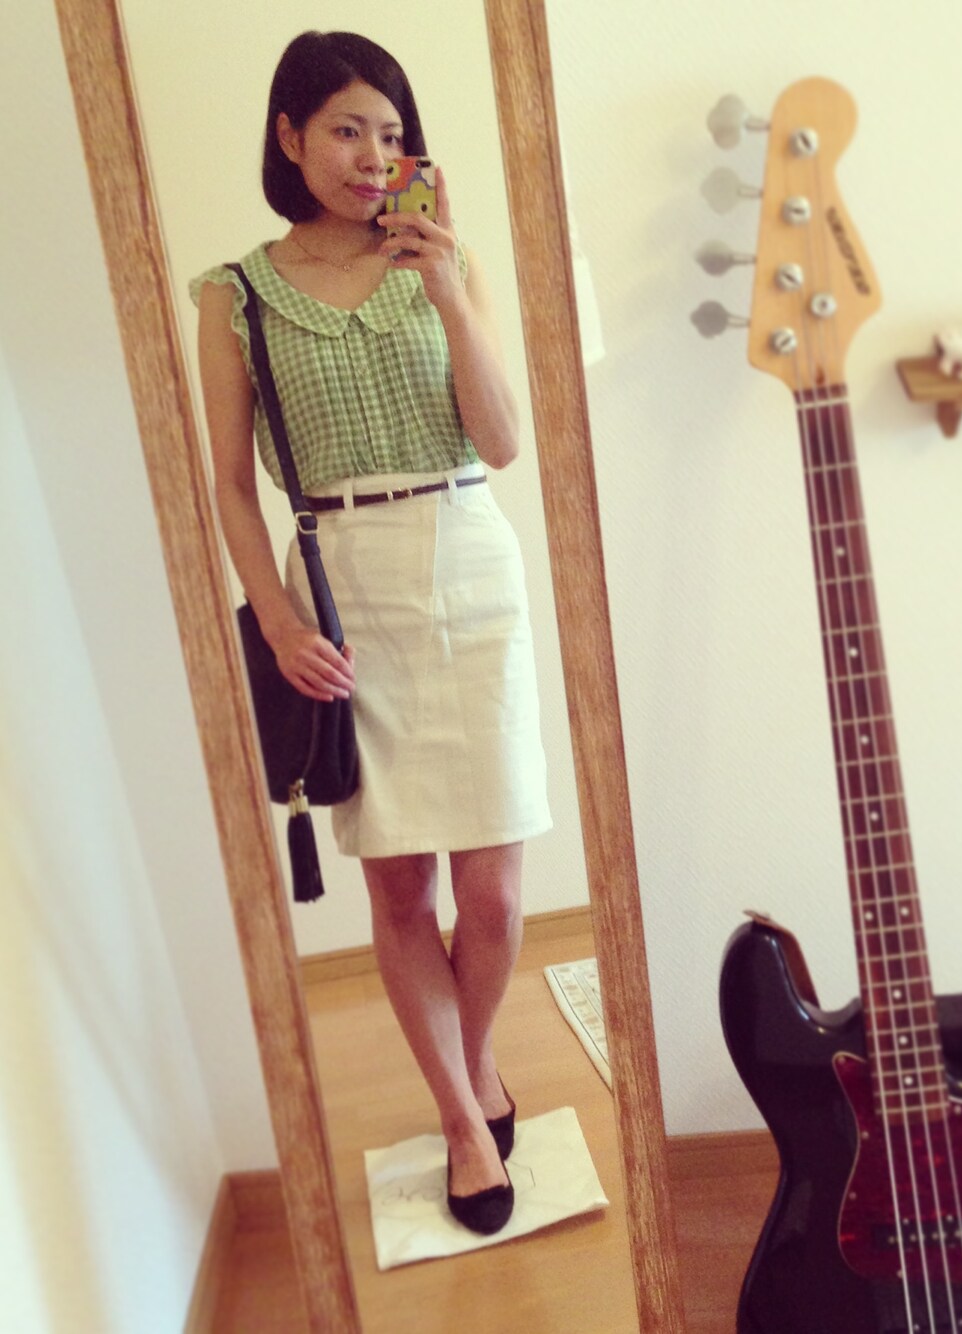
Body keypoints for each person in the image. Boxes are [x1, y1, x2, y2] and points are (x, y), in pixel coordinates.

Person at [189, 31, 551, 1236]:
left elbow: (502, 442)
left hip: (469, 561)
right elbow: (228, 480)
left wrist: (445, 288)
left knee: (493, 891)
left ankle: (477, 1053)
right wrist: (276, 614)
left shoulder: (445, 258)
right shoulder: (234, 295)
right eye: (347, 129)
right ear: (289, 136)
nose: (370, 155)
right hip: (342, 586)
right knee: (399, 883)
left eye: (390, 135)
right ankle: (461, 1116)